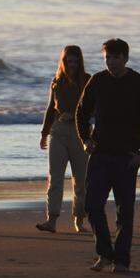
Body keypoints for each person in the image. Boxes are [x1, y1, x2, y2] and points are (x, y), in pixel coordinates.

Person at [76, 38, 140, 273]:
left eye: (115, 58)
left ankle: (121, 260)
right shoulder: (98, 81)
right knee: (92, 206)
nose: (110, 62)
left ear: (125, 58)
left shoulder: (138, 83)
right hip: (100, 154)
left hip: (127, 157)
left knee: (125, 211)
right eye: (107, 58)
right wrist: (86, 139)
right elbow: (81, 113)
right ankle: (105, 253)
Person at [36, 45, 92, 234]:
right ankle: (51, 220)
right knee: (55, 178)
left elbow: (94, 108)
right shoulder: (57, 81)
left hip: (81, 134)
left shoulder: (87, 80)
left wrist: (82, 121)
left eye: (76, 61)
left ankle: (79, 220)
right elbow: (51, 108)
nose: (73, 65)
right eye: (69, 61)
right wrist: (44, 134)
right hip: (58, 132)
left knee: (81, 180)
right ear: (63, 61)